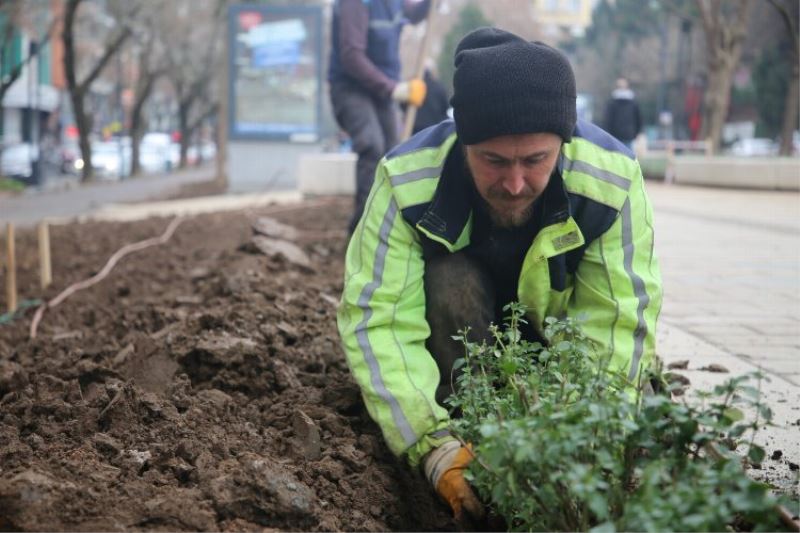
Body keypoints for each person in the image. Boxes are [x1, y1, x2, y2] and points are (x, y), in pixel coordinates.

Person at [337, 27, 662, 521]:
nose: (514, 183)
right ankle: (467, 427)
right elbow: (376, 320)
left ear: (563, 142)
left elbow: (617, 323)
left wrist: (584, 445)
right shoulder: (406, 182)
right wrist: (433, 446)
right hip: (458, 356)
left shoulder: (609, 181)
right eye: (493, 161)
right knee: (449, 278)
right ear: (463, 141)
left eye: (536, 161)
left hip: (556, 349)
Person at [328, 0, 432, 233]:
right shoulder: (355, 4)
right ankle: (361, 232)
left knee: (396, 155)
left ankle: (390, 228)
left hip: (381, 91)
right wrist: (395, 89)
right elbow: (351, 56)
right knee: (372, 145)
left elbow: (413, 15)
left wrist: (429, 4)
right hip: (350, 87)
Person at [604, 77, 642, 150]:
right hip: (615, 135)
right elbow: (608, 119)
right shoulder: (612, 102)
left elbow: (638, 118)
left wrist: (638, 132)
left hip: (629, 135)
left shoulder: (633, 103)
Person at [411, 65, 450, 134]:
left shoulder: (413, 86)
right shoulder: (439, 87)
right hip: (432, 127)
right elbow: (445, 107)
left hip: (414, 125)